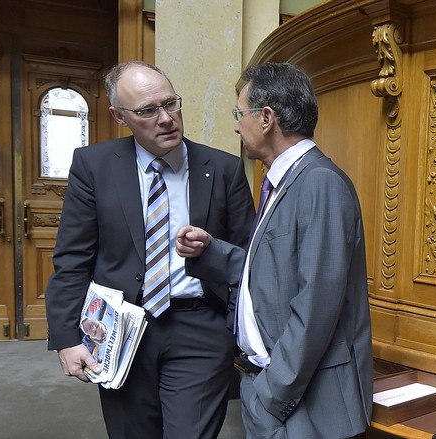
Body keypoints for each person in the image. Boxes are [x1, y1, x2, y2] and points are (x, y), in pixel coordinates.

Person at [45, 61, 255, 438]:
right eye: (147, 111)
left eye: (171, 104)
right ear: (119, 116)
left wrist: (231, 329)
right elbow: (72, 258)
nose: (166, 118)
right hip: (120, 330)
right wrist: (67, 338)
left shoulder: (224, 169)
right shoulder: (93, 166)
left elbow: (248, 258)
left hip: (199, 327)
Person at [177, 62, 373, 439]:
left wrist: (270, 396)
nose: (237, 125)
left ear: (266, 118)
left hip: (301, 403)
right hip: (273, 388)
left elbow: (316, 307)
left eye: (240, 113)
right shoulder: (284, 180)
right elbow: (274, 271)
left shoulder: (320, 183)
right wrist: (210, 251)